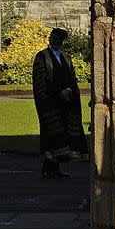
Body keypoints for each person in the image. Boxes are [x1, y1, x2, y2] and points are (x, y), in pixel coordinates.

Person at [32, 27, 88, 179]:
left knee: (62, 134)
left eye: (60, 39)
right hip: (50, 103)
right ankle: (48, 168)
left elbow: (72, 77)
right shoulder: (41, 57)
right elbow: (42, 80)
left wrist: (69, 90)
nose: (57, 41)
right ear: (50, 38)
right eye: (54, 38)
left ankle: (55, 168)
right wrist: (58, 92)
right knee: (50, 134)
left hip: (65, 102)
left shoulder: (66, 57)